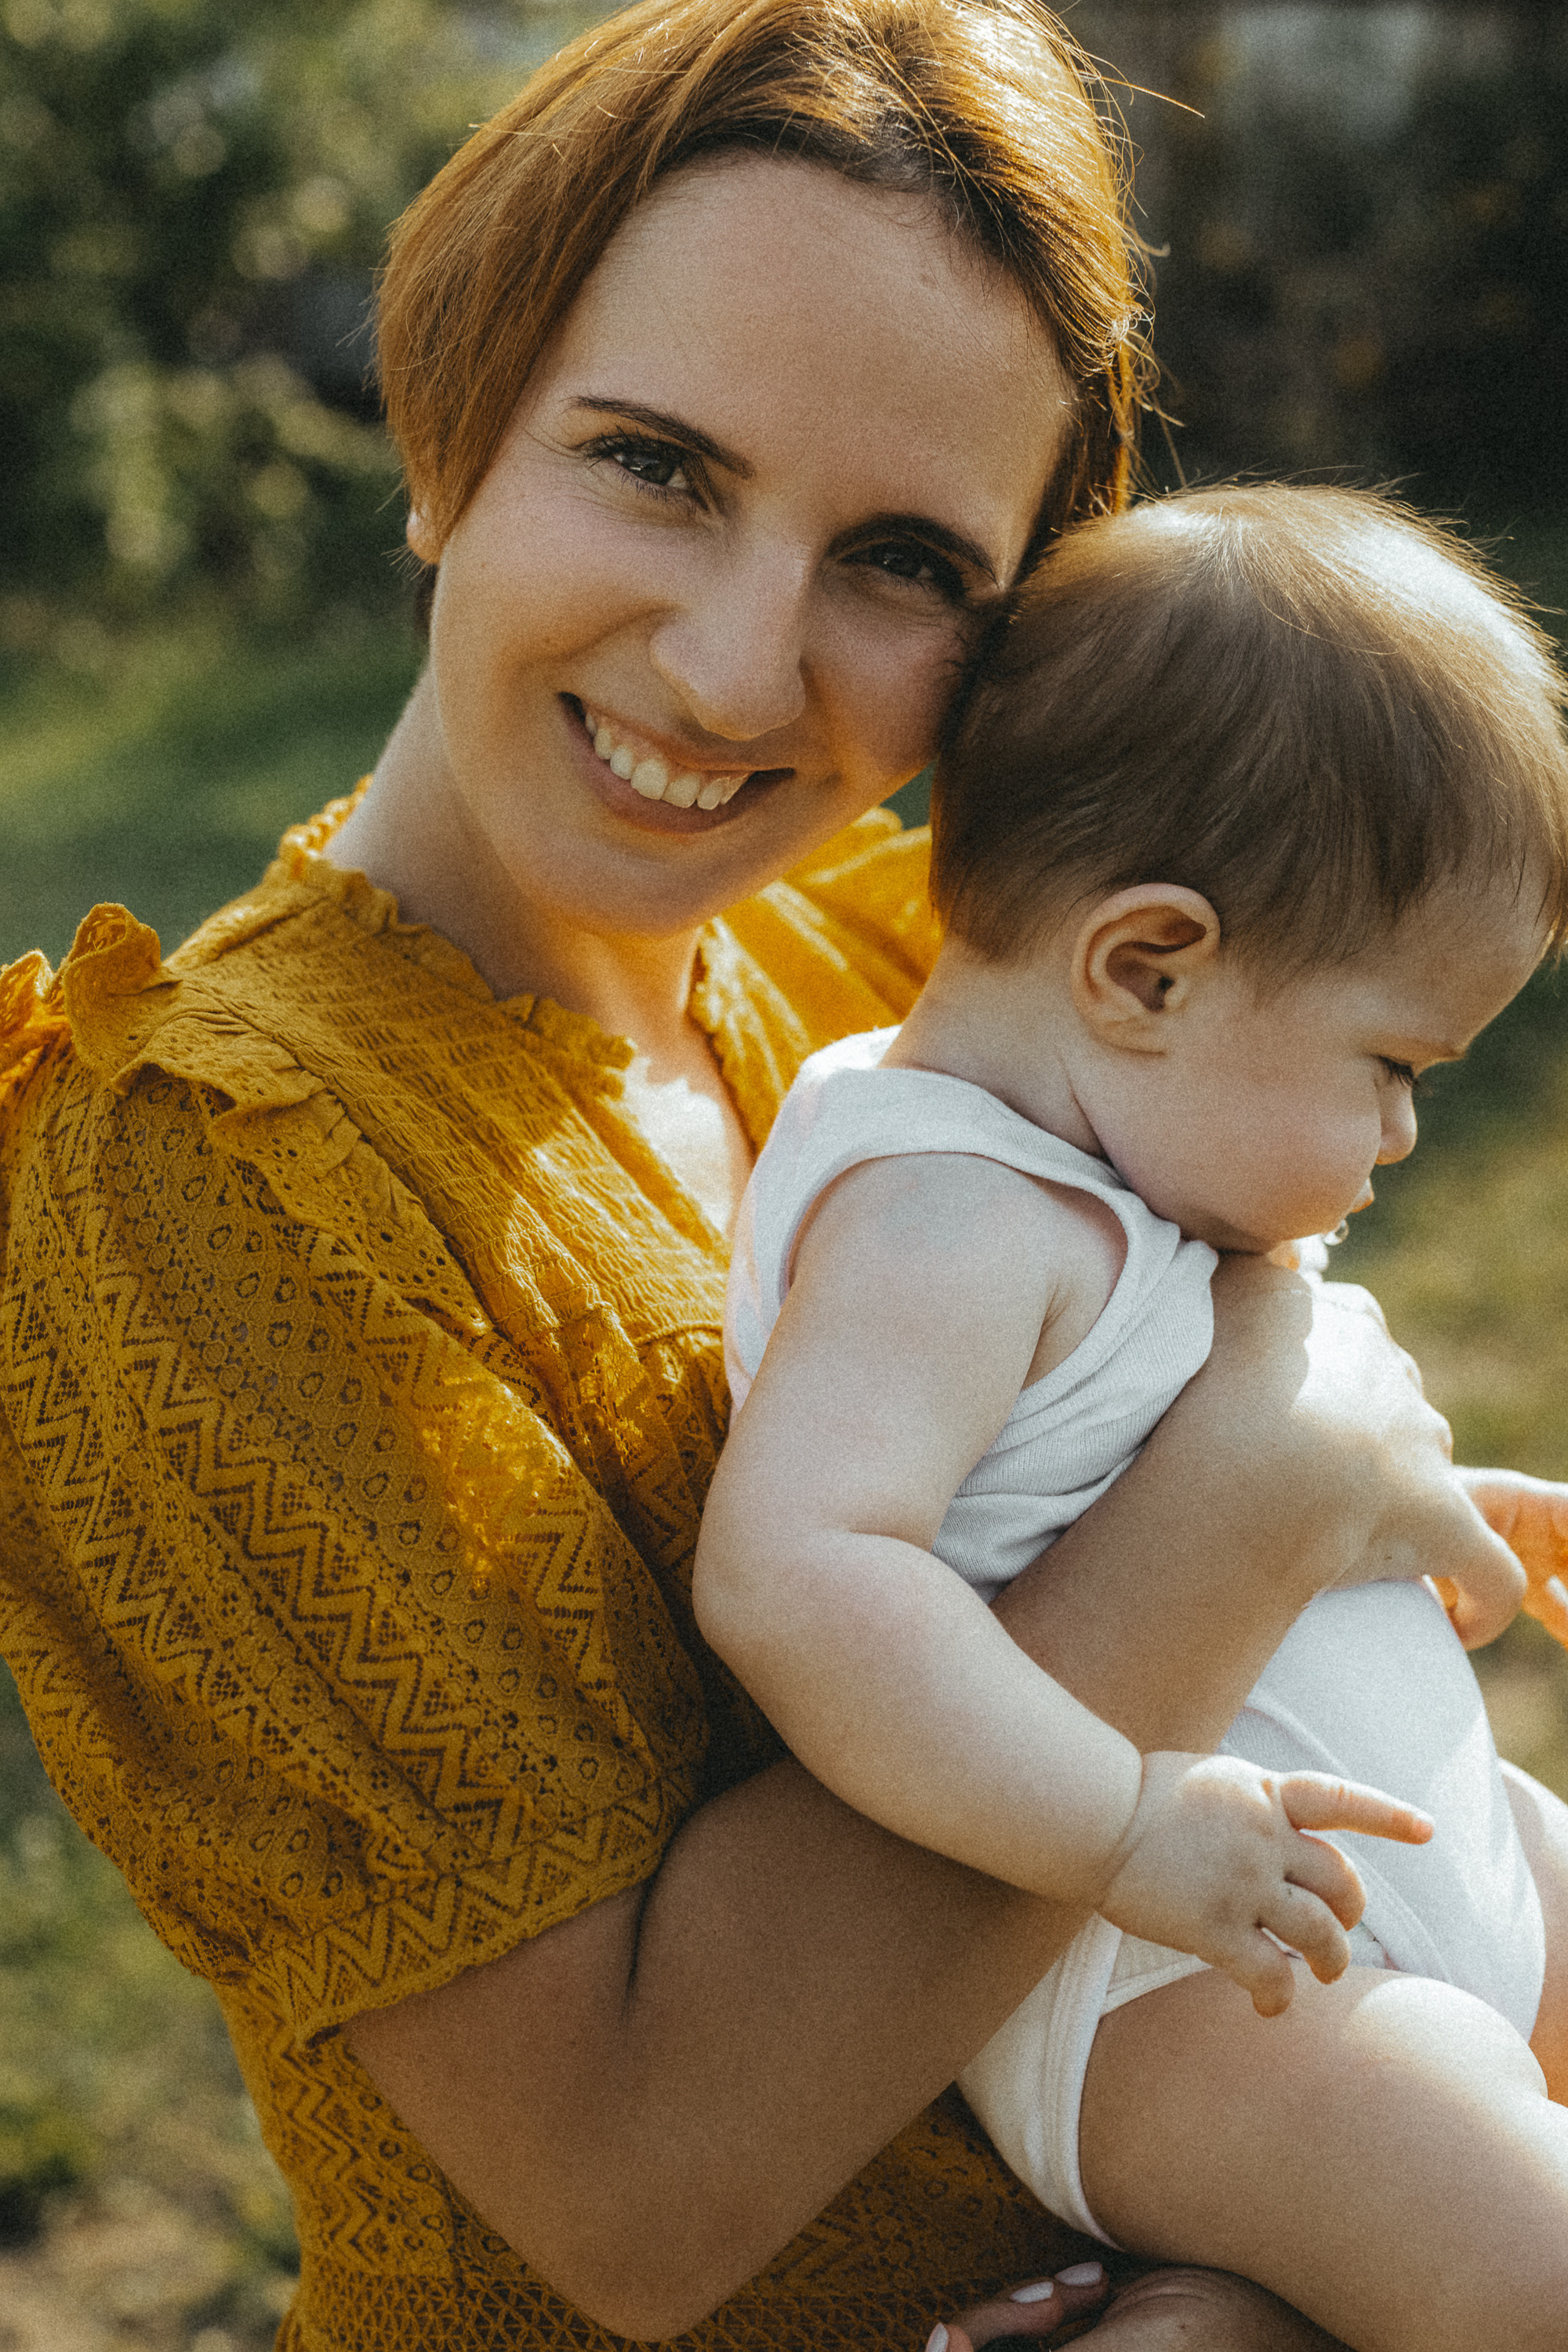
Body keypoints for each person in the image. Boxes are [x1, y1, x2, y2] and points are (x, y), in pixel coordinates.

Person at [0, 6, 1521, 2347]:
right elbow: (626, 2190)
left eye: (904, 559)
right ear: (451, 426)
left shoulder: (877, 956)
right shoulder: (211, 1177)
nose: (734, 668)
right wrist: (1259, 1489)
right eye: (653, 465)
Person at [698, 484, 1568, 2352]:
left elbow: (1121, 1456)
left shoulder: (1081, 1173)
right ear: (1145, 969)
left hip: (1367, 1876)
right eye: (1393, 1067)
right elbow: (798, 1573)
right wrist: (1114, 1825)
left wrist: (1423, 1507)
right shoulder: (944, 1220)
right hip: (1166, 1989)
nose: (1403, 1136)